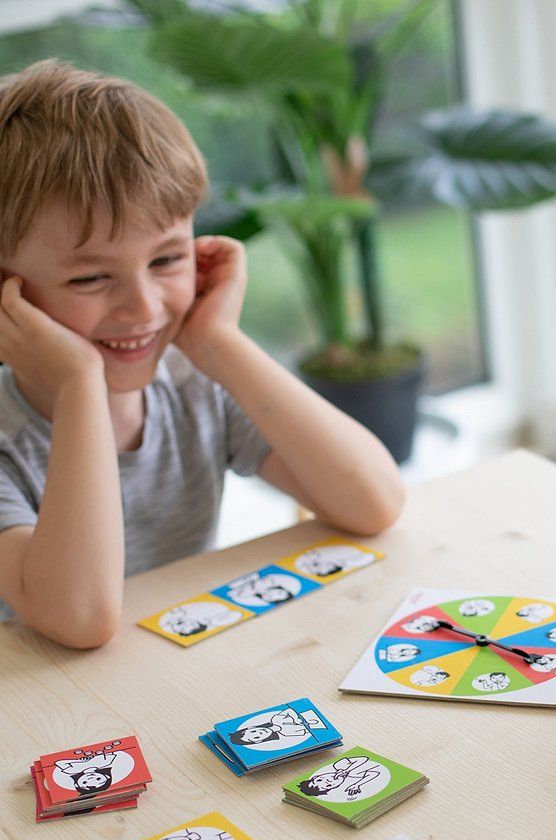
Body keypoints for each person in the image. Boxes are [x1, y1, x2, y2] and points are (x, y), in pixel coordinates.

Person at [0, 61, 404, 648]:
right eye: (90, 278)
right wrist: (77, 386)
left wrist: (219, 342)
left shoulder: (195, 381)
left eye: (166, 260)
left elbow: (373, 502)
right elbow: (79, 618)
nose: (142, 308)